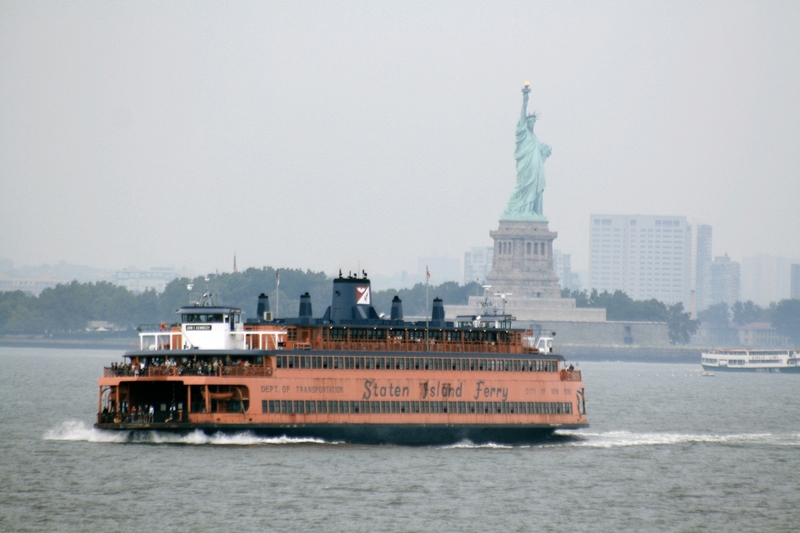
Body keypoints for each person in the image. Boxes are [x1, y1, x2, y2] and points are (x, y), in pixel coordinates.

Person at [502, 82, 552, 221]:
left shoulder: (535, 139)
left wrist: (544, 154)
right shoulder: (523, 134)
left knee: (534, 189)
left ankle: (530, 210)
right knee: (523, 187)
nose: (532, 124)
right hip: (526, 168)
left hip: (535, 169)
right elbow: (523, 113)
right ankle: (514, 210)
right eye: (530, 122)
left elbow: (539, 156)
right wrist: (525, 98)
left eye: (534, 123)